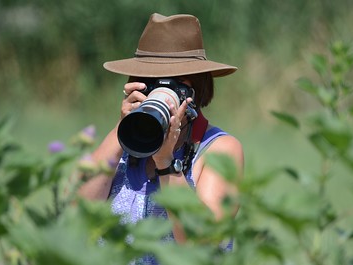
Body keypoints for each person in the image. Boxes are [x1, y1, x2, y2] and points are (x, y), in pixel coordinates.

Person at [78, 13, 244, 263]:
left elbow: (204, 242)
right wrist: (124, 129)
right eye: (150, 80)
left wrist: (167, 164)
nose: (161, 90)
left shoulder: (219, 150)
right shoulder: (122, 144)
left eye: (175, 83)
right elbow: (76, 216)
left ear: (196, 88)